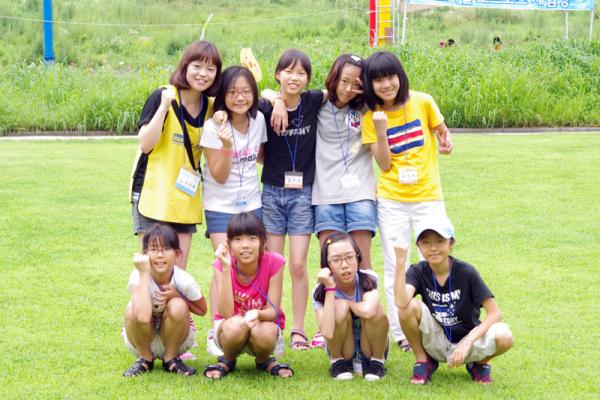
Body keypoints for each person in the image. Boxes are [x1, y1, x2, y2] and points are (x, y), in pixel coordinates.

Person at [361, 51, 453, 351]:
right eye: (378, 80)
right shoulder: (371, 118)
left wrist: (446, 140)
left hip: (428, 196)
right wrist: (381, 130)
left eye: (390, 77)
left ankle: (439, 324)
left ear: (400, 76)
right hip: (393, 200)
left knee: (436, 259)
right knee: (395, 265)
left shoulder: (423, 101)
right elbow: (384, 164)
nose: (386, 85)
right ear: (370, 84)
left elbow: (442, 132)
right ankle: (402, 332)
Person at [129, 40, 222, 269]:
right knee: (153, 270)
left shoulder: (211, 107)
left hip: (184, 198)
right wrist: (163, 108)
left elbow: (248, 101)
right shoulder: (162, 96)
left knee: (177, 274)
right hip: (153, 194)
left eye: (210, 69)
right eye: (197, 66)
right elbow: (145, 144)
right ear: (185, 66)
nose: (203, 74)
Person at [394, 217, 514, 384]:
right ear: (418, 246)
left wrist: (467, 342)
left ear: (451, 243)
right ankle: (423, 361)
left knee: (505, 336)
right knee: (406, 308)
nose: (433, 248)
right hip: (436, 339)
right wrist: (400, 262)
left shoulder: (467, 272)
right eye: (426, 242)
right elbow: (401, 302)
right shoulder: (418, 271)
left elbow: (495, 314)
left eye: (440, 241)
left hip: (469, 339)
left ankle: (479, 363)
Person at [258, 49, 325, 350]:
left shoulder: (313, 101)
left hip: (303, 194)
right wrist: (276, 101)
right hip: (272, 192)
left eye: (301, 73)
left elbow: (339, 90)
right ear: (278, 75)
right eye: (288, 71)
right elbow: (258, 91)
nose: (294, 77)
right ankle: (273, 324)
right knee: (274, 264)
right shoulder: (266, 105)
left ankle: (299, 329)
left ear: (308, 79)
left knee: (298, 264)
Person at [204, 212, 294, 379]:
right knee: (236, 325)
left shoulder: (275, 262)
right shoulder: (220, 264)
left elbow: (273, 311)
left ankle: (263, 359)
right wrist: (226, 268)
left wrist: (258, 314)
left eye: (252, 238)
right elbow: (226, 313)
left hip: (261, 324)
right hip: (230, 328)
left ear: (263, 242)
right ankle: (227, 358)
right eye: (238, 239)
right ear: (229, 245)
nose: (245, 245)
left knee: (265, 331)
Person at [312, 54, 377, 269]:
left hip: (361, 193)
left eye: (356, 84)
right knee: (331, 266)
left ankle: (367, 295)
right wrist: (277, 101)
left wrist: (368, 92)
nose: (349, 89)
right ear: (334, 78)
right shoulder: (317, 105)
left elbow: (394, 97)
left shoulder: (367, 108)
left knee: (362, 263)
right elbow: (275, 95)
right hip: (326, 195)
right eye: (344, 81)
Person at [122, 224, 207, 377]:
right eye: (153, 249)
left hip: (177, 340)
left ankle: (171, 359)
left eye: (166, 249)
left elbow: (202, 310)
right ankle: (144, 358)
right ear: (144, 254)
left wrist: (177, 295)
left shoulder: (184, 280)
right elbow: (142, 317)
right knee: (131, 308)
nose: (160, 255)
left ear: (177, 254)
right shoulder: (137, 275)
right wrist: (144, 273)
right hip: (142, 340)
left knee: (178, 305)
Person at [312, 232, 389, 381]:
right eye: (336, 260)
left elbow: (368, 311)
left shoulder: (369, 278)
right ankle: (337, 362)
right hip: (343, 350)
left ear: (357, 257)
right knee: (338, 307)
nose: (345, 265)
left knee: (377, 311)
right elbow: (326, 332)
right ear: (327, 265)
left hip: (371, 348)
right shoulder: (319, 290)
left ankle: (377, 362)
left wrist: (347, 303)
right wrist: (330, 289)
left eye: (349, 257)